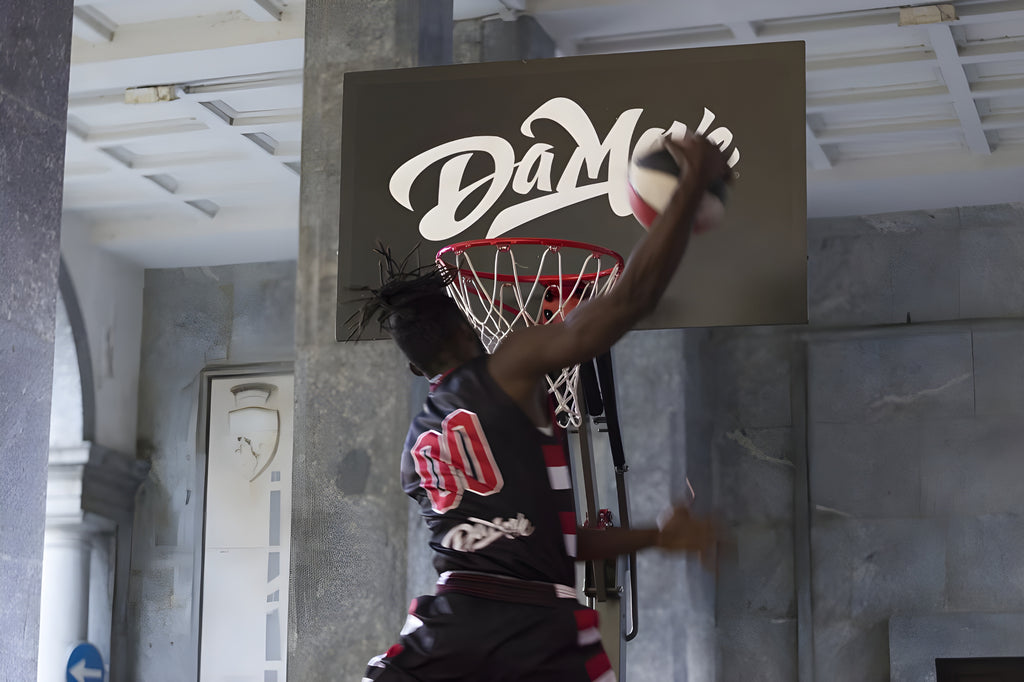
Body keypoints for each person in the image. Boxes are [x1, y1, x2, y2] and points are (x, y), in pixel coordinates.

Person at [353, 133, 732, 682]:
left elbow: (548, 540)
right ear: (468, 326)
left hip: (451, 625)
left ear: (417, 369)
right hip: (537, 628)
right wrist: (687, 189)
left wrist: (656, 536)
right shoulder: (508, 366)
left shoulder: (417, 452)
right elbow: (633, 299)